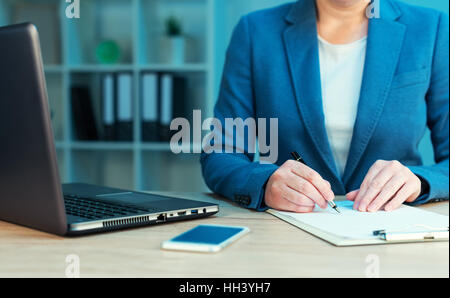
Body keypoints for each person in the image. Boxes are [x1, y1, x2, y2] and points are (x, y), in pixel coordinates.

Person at [200, 0, 449, 213]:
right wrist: (264, 183)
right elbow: (221, 153)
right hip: (290, 232)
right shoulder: (255, 32)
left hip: (392, 229)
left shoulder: (432, 29)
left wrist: (419, 181)